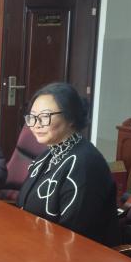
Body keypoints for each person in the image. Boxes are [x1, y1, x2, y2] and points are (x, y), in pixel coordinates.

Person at [16, 82, 121, 246]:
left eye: (45, 117)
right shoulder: (49, 154)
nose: (36, 124)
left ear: (70, 118)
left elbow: (73, 237)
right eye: (32, 117)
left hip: (76, 255)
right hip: (36, 242)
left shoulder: (84, 165)